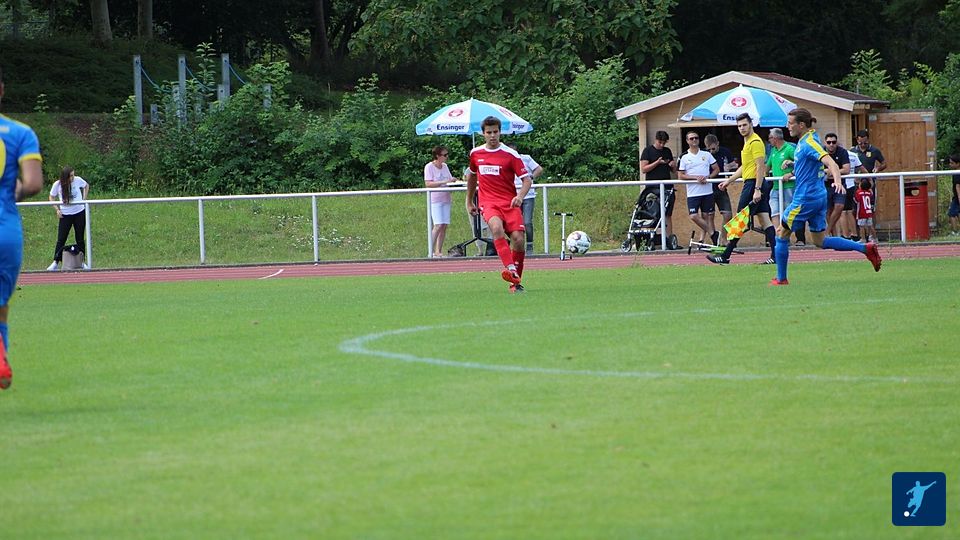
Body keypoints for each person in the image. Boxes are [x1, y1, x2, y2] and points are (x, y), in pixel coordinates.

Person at [771, 108, 882, 285]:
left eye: (790, 123)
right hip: (817, 196)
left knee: (781, 233)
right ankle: (865, 248)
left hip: (805, 198)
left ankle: (781, 279)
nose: (787, 126)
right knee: (820, 240)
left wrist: (837, 181)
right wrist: (793, 164)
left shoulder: (809, 143)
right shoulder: (807, 139)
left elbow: (830, 162)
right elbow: (811, 164)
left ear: (801, 125)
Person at [0, 64, 45, 389]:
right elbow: (32, 184)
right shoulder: (21, 133)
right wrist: (11, 192)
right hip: (6, 229)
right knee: (1, 305)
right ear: (2, 90)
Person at [465, 116, 531, 293]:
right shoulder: (476, 153)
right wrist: (469, 201)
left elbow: (527, 180)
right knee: (495, 227)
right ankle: (511, 269)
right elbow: (472, 177)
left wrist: (520, 196)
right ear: (483, 134)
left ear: (500, 132)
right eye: (489, 132)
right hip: (489, 202)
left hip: (509, 203)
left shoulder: (510, 154)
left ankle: (515, 283)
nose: (492, 135)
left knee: (518, 240)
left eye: (495, 132)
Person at [708, 113, 775, 264]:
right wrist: (729, 180)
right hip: (754, 183)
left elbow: (760, 167)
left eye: (744, 125)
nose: (742, 128)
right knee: (765, 220)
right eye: (739, 126)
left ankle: (725, 255)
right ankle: (776, 256)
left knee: (740, 219)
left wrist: (757, 189)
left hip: (754, 184)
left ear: (751, 124)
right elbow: (745, 166)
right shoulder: (747, 142)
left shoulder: (755, 142)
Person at [46, 166, 90, 271]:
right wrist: (57, 209)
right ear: (65, 177)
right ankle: (55, 262)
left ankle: (82, 262)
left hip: (79, 212)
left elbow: (86, 186)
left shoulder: (78, 180)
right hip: (65, 214)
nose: (73, 178)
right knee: (61, 238)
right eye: (70, 176)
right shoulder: (57, 184)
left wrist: (84, 199)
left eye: (73, 175)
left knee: (80, 238)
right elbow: (51, 197)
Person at [677, 132, 719, 243]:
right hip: (693, 193)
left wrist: (708, 177)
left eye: (696, 138)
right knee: (694, 216)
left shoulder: (706, 154)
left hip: (707, 191)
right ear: (687, 141)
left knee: (707, 216)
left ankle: (709, 241)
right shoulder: (684, 157)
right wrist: (696, 178)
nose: (694, 140)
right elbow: (681, 176)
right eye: (691, 138)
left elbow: (716, 169)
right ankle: (713, 233)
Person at [766, 128, 803, 245]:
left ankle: (796, 237)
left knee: (790, 212)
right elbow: (767, 166)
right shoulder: (773, 150)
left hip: (789, 186)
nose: (769, 141)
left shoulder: (789, 149)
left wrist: (791, 173)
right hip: (776, 186)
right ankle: (779, 237)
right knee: (774, 211)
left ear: (775, 138)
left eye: (770, 138)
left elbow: (801, 164)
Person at [640, 130, 676, 243]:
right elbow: (644, 169)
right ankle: (649, 238)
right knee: (652, 212)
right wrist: (657, 162)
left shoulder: (667, 151)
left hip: (667, 186)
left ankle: (669, 240)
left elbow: (674, 170)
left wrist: (673, 165)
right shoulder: (647, 151)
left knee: (668, 213)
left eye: (664, 143)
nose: (662, 145)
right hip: (652, 187)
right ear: (656, 140)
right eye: (660, 142)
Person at [507, 143, 543, 254]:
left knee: (527, 222)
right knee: (514, 223)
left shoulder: (525, 158)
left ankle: (530, 245)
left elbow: (538, 169)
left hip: (528, 195)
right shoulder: (504, 160)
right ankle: (515, 246)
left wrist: (531, 177)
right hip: (512, 196)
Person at [424, 146, 458, 258]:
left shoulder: (445, 166)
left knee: (444, 225)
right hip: (435, 199)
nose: (447, 157)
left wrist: (453, 181)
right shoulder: (429, 167)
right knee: (437, 225)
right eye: (445, 155)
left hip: (446, 198)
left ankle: (438, 251)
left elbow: (449, 179)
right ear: (437, 156)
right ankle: (430, 250)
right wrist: (444, 181)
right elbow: (428, 184)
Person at [704, 134, 736, 245]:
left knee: (728, 214)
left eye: (713, 149)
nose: (711, 152)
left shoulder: (725, 152)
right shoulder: (704, 154)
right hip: (708, 188)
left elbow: (735, 165)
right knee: (709, 215)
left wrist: (730, 167)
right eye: (709, 149)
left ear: (717, 144)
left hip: (721, 187)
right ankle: (715, 241)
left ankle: (723, 238)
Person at [822, 133, 851, 236]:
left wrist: (832, 172)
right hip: (824, 185)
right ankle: (833, 235)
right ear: (825, 143)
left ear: (836, 142)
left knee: (839, 206)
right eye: (829, 142)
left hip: (839, 184)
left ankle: (828, 231)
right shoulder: (820, 151)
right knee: (827, 211)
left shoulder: (842, 152)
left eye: (833, 142)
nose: (831, 144)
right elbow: (816, 169)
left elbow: (846, 169)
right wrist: (826, 171)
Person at [841, 148, 868, 240]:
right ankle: (854, 234)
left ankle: (846, 235)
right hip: (851, 185)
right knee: (849, 211)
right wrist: (870, 179)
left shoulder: (840, 154)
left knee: (843, 212)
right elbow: (862, 168)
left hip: (843, 184)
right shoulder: (853, 155)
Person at [946, 154, 960, 236]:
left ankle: (955, 232)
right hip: (956, 197)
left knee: (951, 213)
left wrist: (959, 198)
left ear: (958, 164)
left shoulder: (957, 174)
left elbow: (958, 186)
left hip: (957, 197)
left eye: (952, 163)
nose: (950, 164)